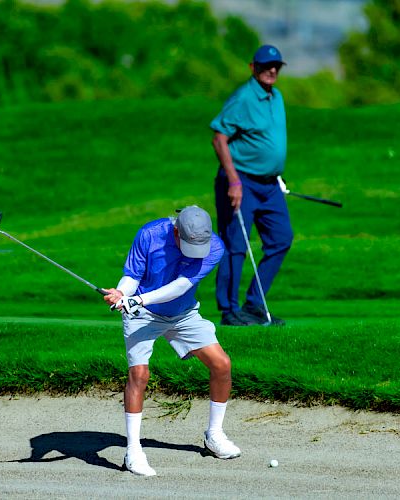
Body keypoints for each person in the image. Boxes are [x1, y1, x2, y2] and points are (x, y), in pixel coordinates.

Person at [103, 205, 241, 477]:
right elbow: (133, 276)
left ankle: (214, 435)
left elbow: (180, 286)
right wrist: (122, 293)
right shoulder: (149, 234)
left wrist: (139, 299)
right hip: (142, 314)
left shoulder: (214, 247)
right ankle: (133, 451)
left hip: (182, 313)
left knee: (222, 364)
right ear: (176, 231)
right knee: (139, 374)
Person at [210, 44, 294, 327]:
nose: (271, 70)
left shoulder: (276, 97)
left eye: (276, 66)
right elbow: (219, 138)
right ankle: (229, 310)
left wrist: (276, 173)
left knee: (281, 238)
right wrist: (233, 180)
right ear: (252, 67)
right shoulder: (244, 97)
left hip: (269, 185)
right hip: (241, 181)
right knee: (236, 245)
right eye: (265, 66)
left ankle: (255, 305)